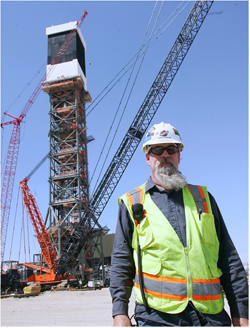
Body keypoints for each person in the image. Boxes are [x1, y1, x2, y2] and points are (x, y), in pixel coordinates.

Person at [110, 122, 248, 326]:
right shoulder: (133, 203)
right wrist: (119, 313)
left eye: (171, 149)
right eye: (158, 149)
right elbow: (122, 262)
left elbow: (228, 258)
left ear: (179, 156)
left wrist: (241, 313)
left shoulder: (204, 198)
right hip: (157, 318)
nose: (165, 154)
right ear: (148, 158)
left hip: (211, 317)